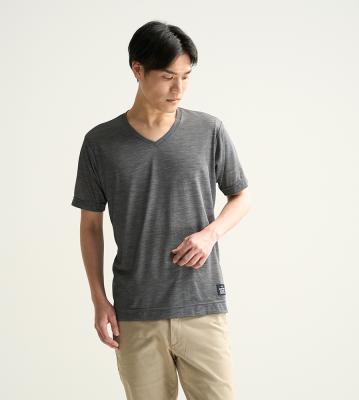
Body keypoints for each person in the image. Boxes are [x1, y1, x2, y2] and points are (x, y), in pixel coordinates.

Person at [71, 20, 251, 400]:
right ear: (138, 70)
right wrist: (99, 300)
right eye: (168, 77)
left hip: (202, 306)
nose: (178, 89)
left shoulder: (209, 131)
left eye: (186, 76)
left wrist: (210, 234)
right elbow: (90, 226)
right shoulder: (100, 143)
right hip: (136, 313)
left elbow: (241, 197)